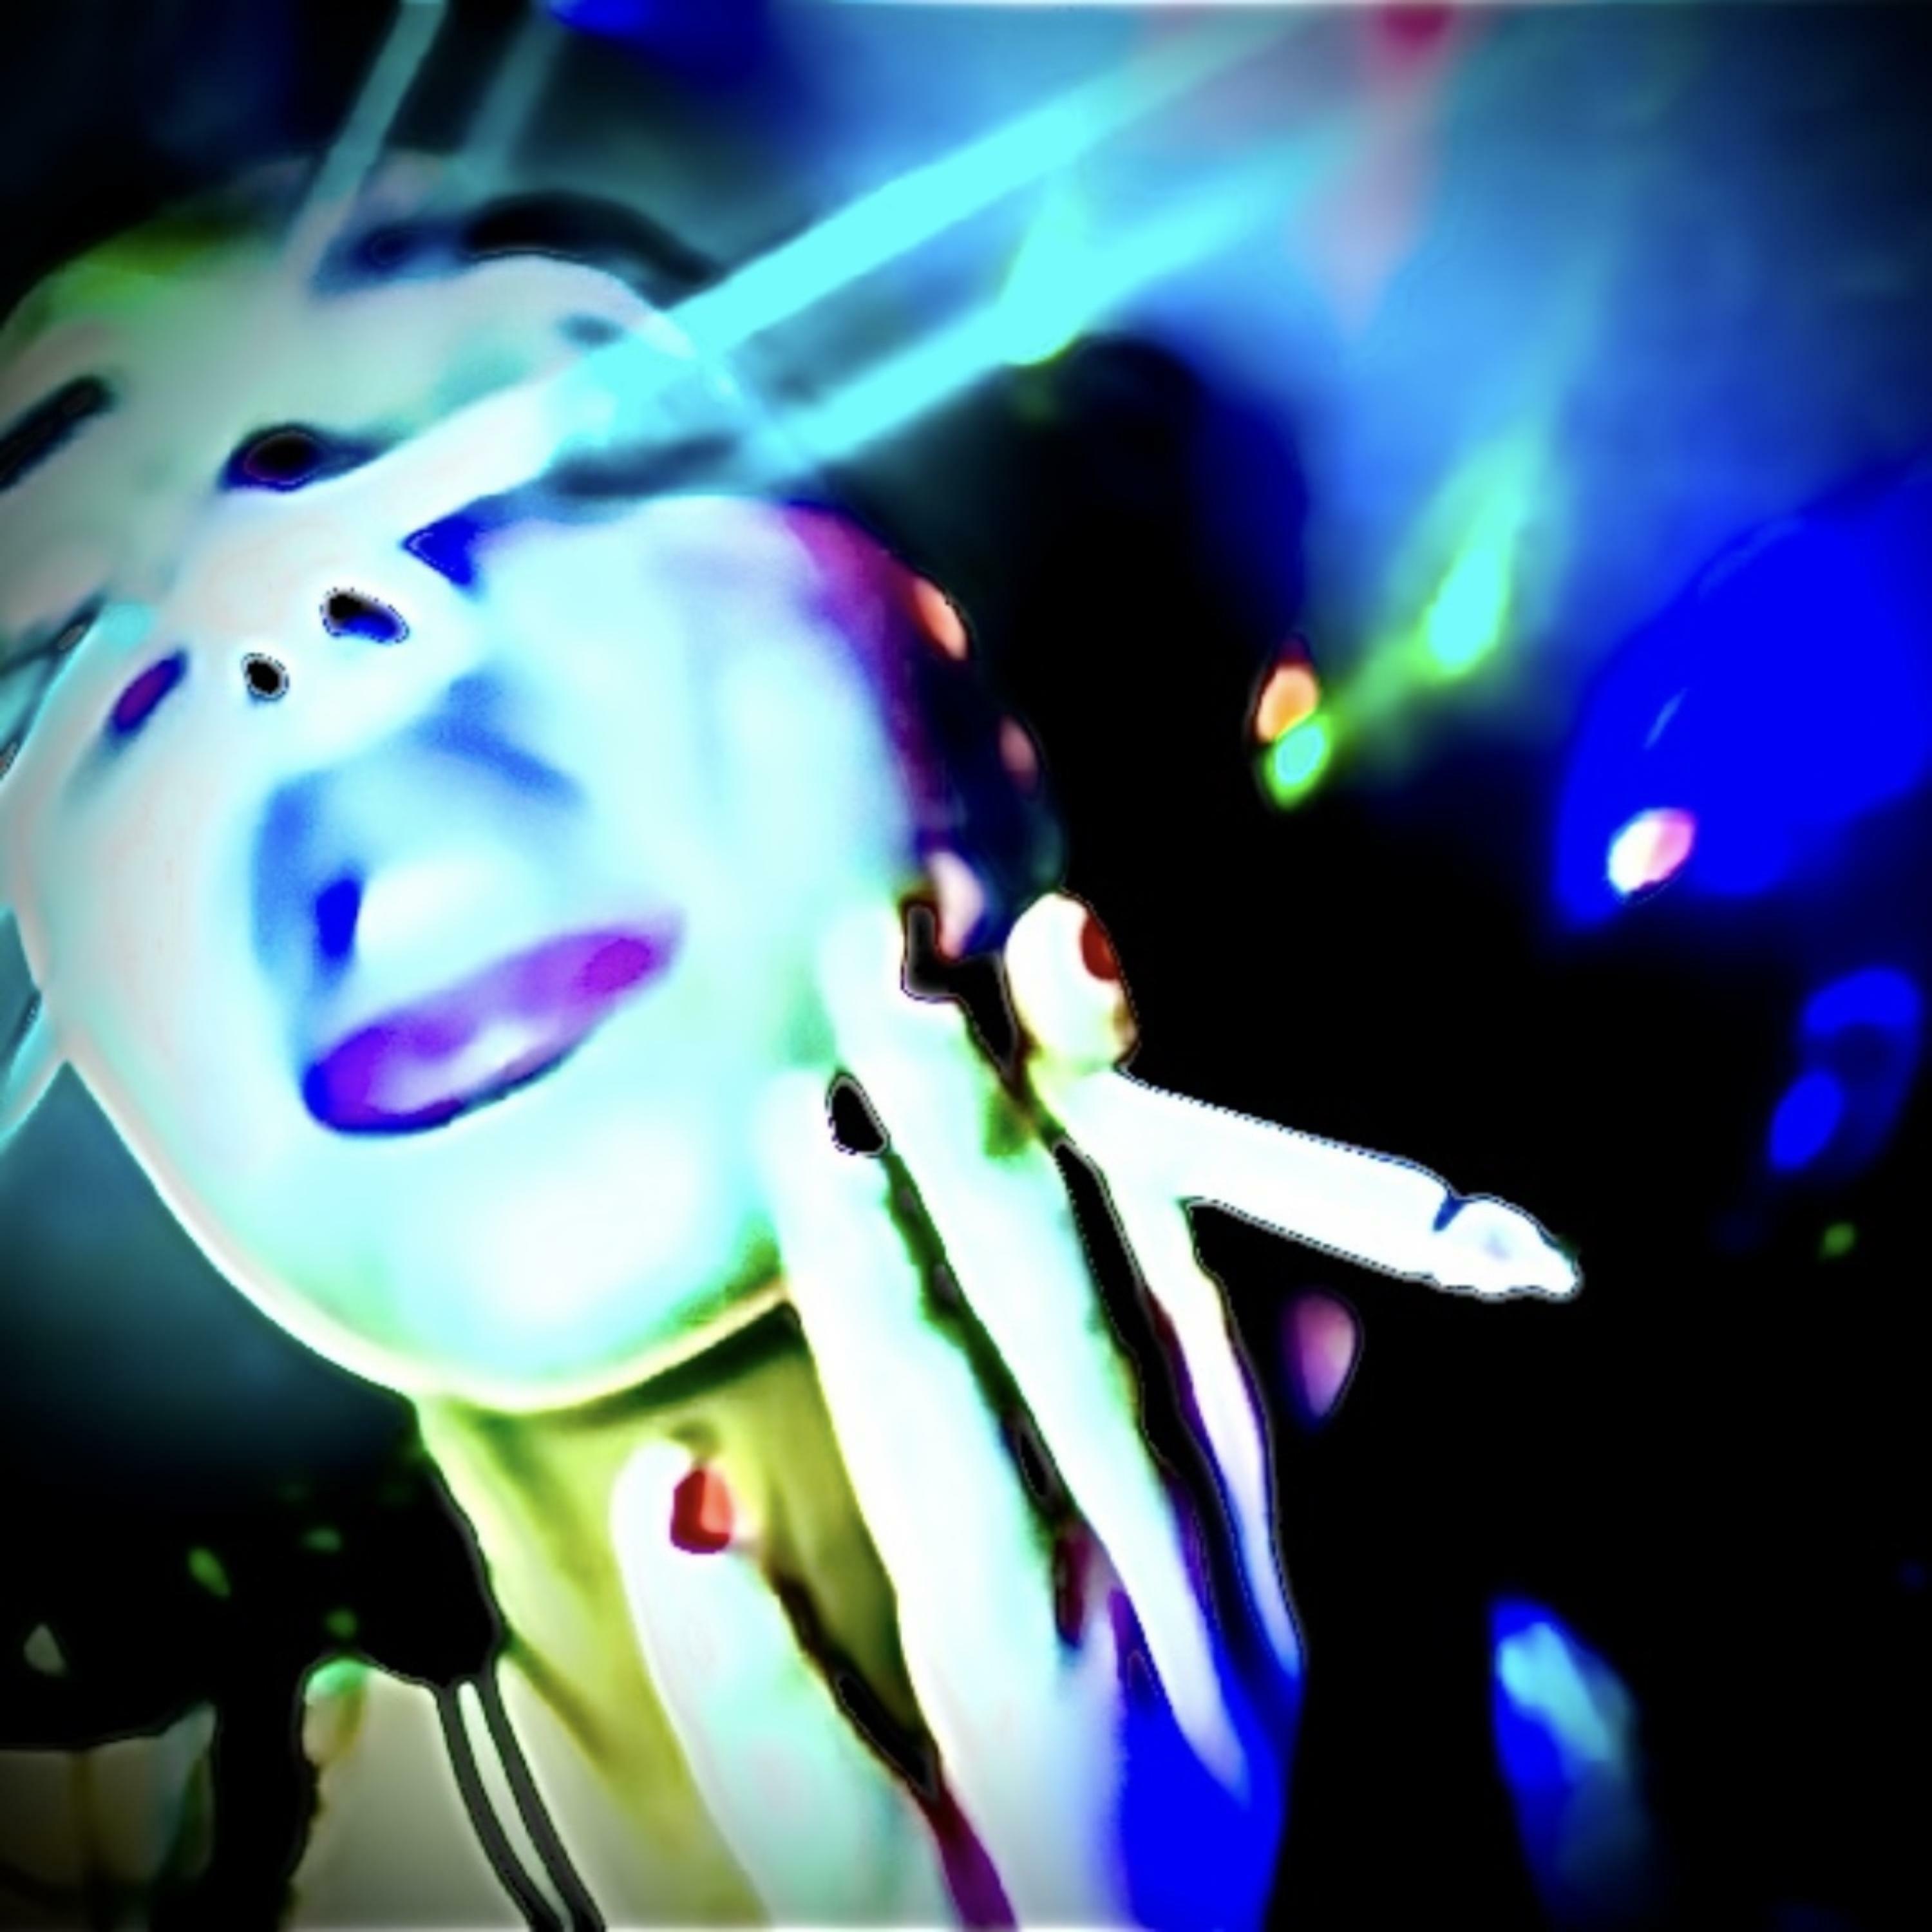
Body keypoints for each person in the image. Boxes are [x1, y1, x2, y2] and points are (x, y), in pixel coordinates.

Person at [0, 165, 1577, 1928]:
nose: (263, 595)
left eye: (544, 418)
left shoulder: (1673, 1610)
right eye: (55, 637)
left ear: (987, 674)